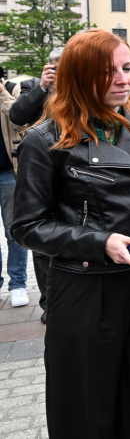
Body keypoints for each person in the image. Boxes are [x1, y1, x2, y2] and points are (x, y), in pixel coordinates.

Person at [11, 29, 130, 439]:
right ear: (77, 75)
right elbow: (26, 226)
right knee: (85, 409)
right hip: (86, 289)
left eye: (127, 68)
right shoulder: (45, 139)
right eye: (107, 72)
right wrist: (100, 242)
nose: (123, 80)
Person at [9, 46, 65, 323]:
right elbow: (17, 116)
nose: (58, 73)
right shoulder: (33, 86)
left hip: (71, 171)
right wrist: (43, 86)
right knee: (42, 241)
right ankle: (49, 304)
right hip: (39, 171)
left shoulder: (82, 87)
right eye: (54, 67)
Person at [0, 74, 29, 310]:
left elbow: (21, 122)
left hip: (9, 172)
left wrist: (2, 94)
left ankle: (18, 283)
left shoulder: (12, 91)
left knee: (14, 230)